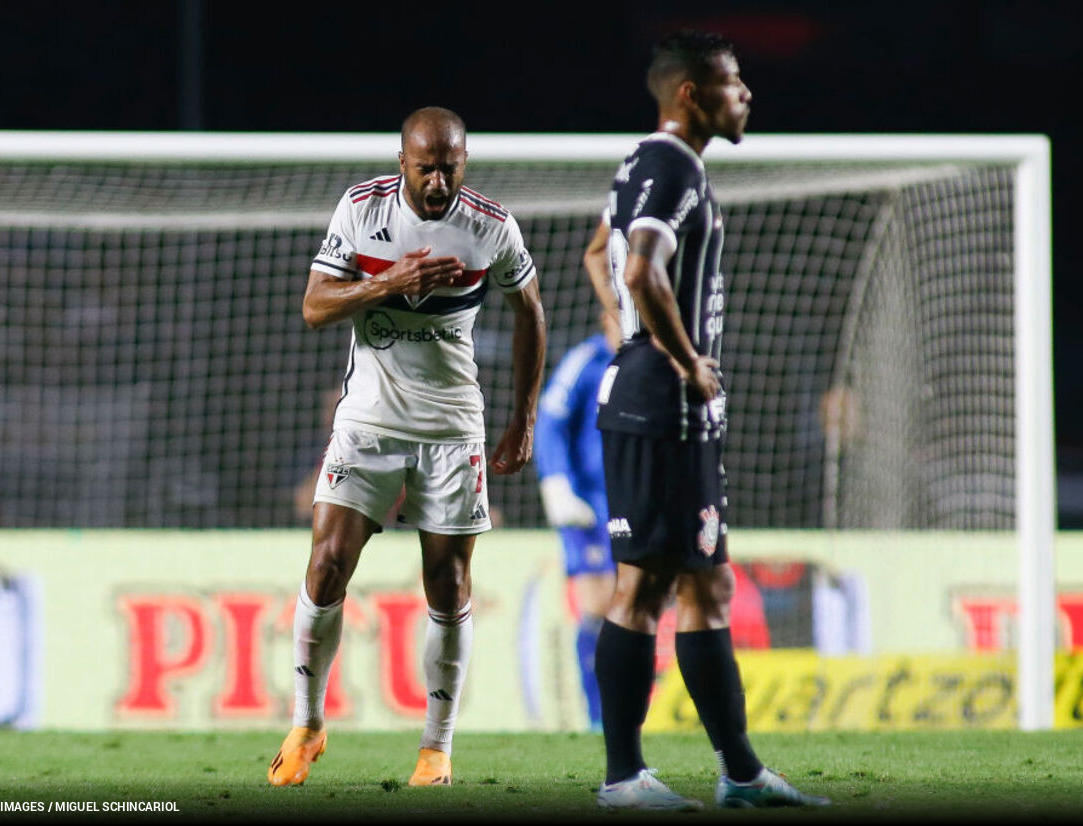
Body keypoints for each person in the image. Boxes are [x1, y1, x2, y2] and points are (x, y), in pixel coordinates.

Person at [268, 107, 546, 788]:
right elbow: (313, 306)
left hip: (452, 428)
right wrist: (389, 284)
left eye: (450, 167)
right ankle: (306, 723)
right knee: (327, 564)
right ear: (403, 163)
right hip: (367, 421)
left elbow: (530, 312)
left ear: (464, 163)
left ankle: (436, 748)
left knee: (447, 586)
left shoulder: (490, 224)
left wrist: (523, 419)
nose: (438, 182)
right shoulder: (362, 212)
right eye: (426, 167)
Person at [591, 31, 829, 810]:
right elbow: (636, 266)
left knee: (708, 584)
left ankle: (740, 773)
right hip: (661, 405)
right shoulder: (671, 163)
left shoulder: (640, 163)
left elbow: (599, 252)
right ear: (691, 94)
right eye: (733, 83)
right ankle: (623, 779)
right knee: (645, 587)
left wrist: (622, 330)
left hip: (667, 405)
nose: (747, 94)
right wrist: (685, 359)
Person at [534, 307, 621, 731]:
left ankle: (625, 716)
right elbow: (549, 420)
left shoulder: (648, 363)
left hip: (633, 500)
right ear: (605, 317)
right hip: (589, 504)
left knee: (632, 609)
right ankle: (598, 720)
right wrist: (557, 484)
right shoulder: (585, 360)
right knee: (598, 606)